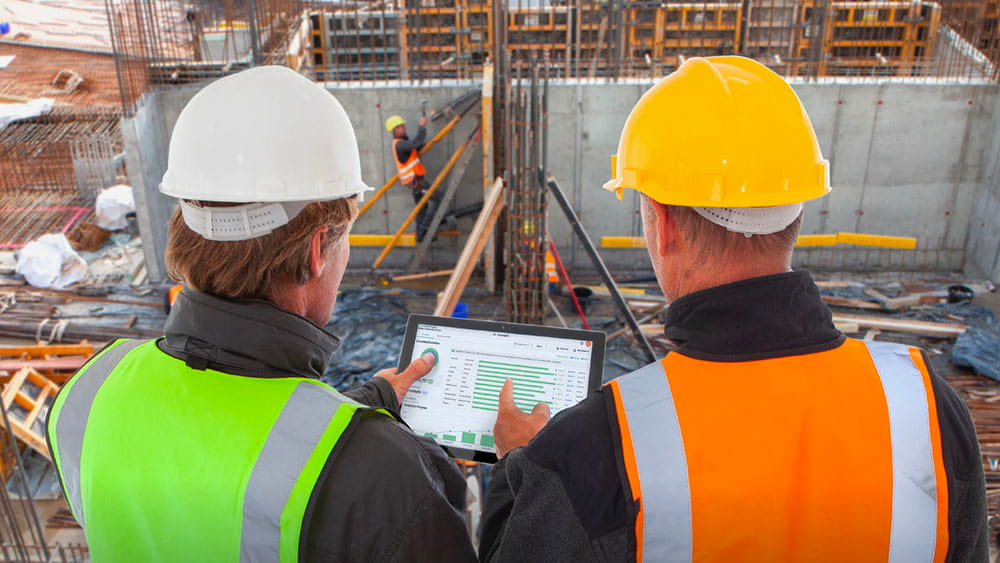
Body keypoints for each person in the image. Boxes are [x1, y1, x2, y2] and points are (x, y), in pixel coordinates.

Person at [480, 56, 988, 562]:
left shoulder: (592, 447)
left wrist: (518, 467)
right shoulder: (927, 406)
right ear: (796, 209)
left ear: (663, 224)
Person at [47, 66, 476, 562]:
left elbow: (212, 472)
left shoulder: (87, 391)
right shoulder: (388, 479)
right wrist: (528, 475)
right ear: (318, 249)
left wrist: (368, 406)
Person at [386, 113, 442, 242]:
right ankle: (425, 228)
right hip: (416, 182)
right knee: (439, 198)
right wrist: (422, 126)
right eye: (400, 126)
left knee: (422, 207)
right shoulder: (399, 144)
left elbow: (415, 146)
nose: (404, 127)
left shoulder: (403, 143)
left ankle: (420, 234)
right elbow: (416, 143)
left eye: (403, 125)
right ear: (394, 130)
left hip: (414, 181)